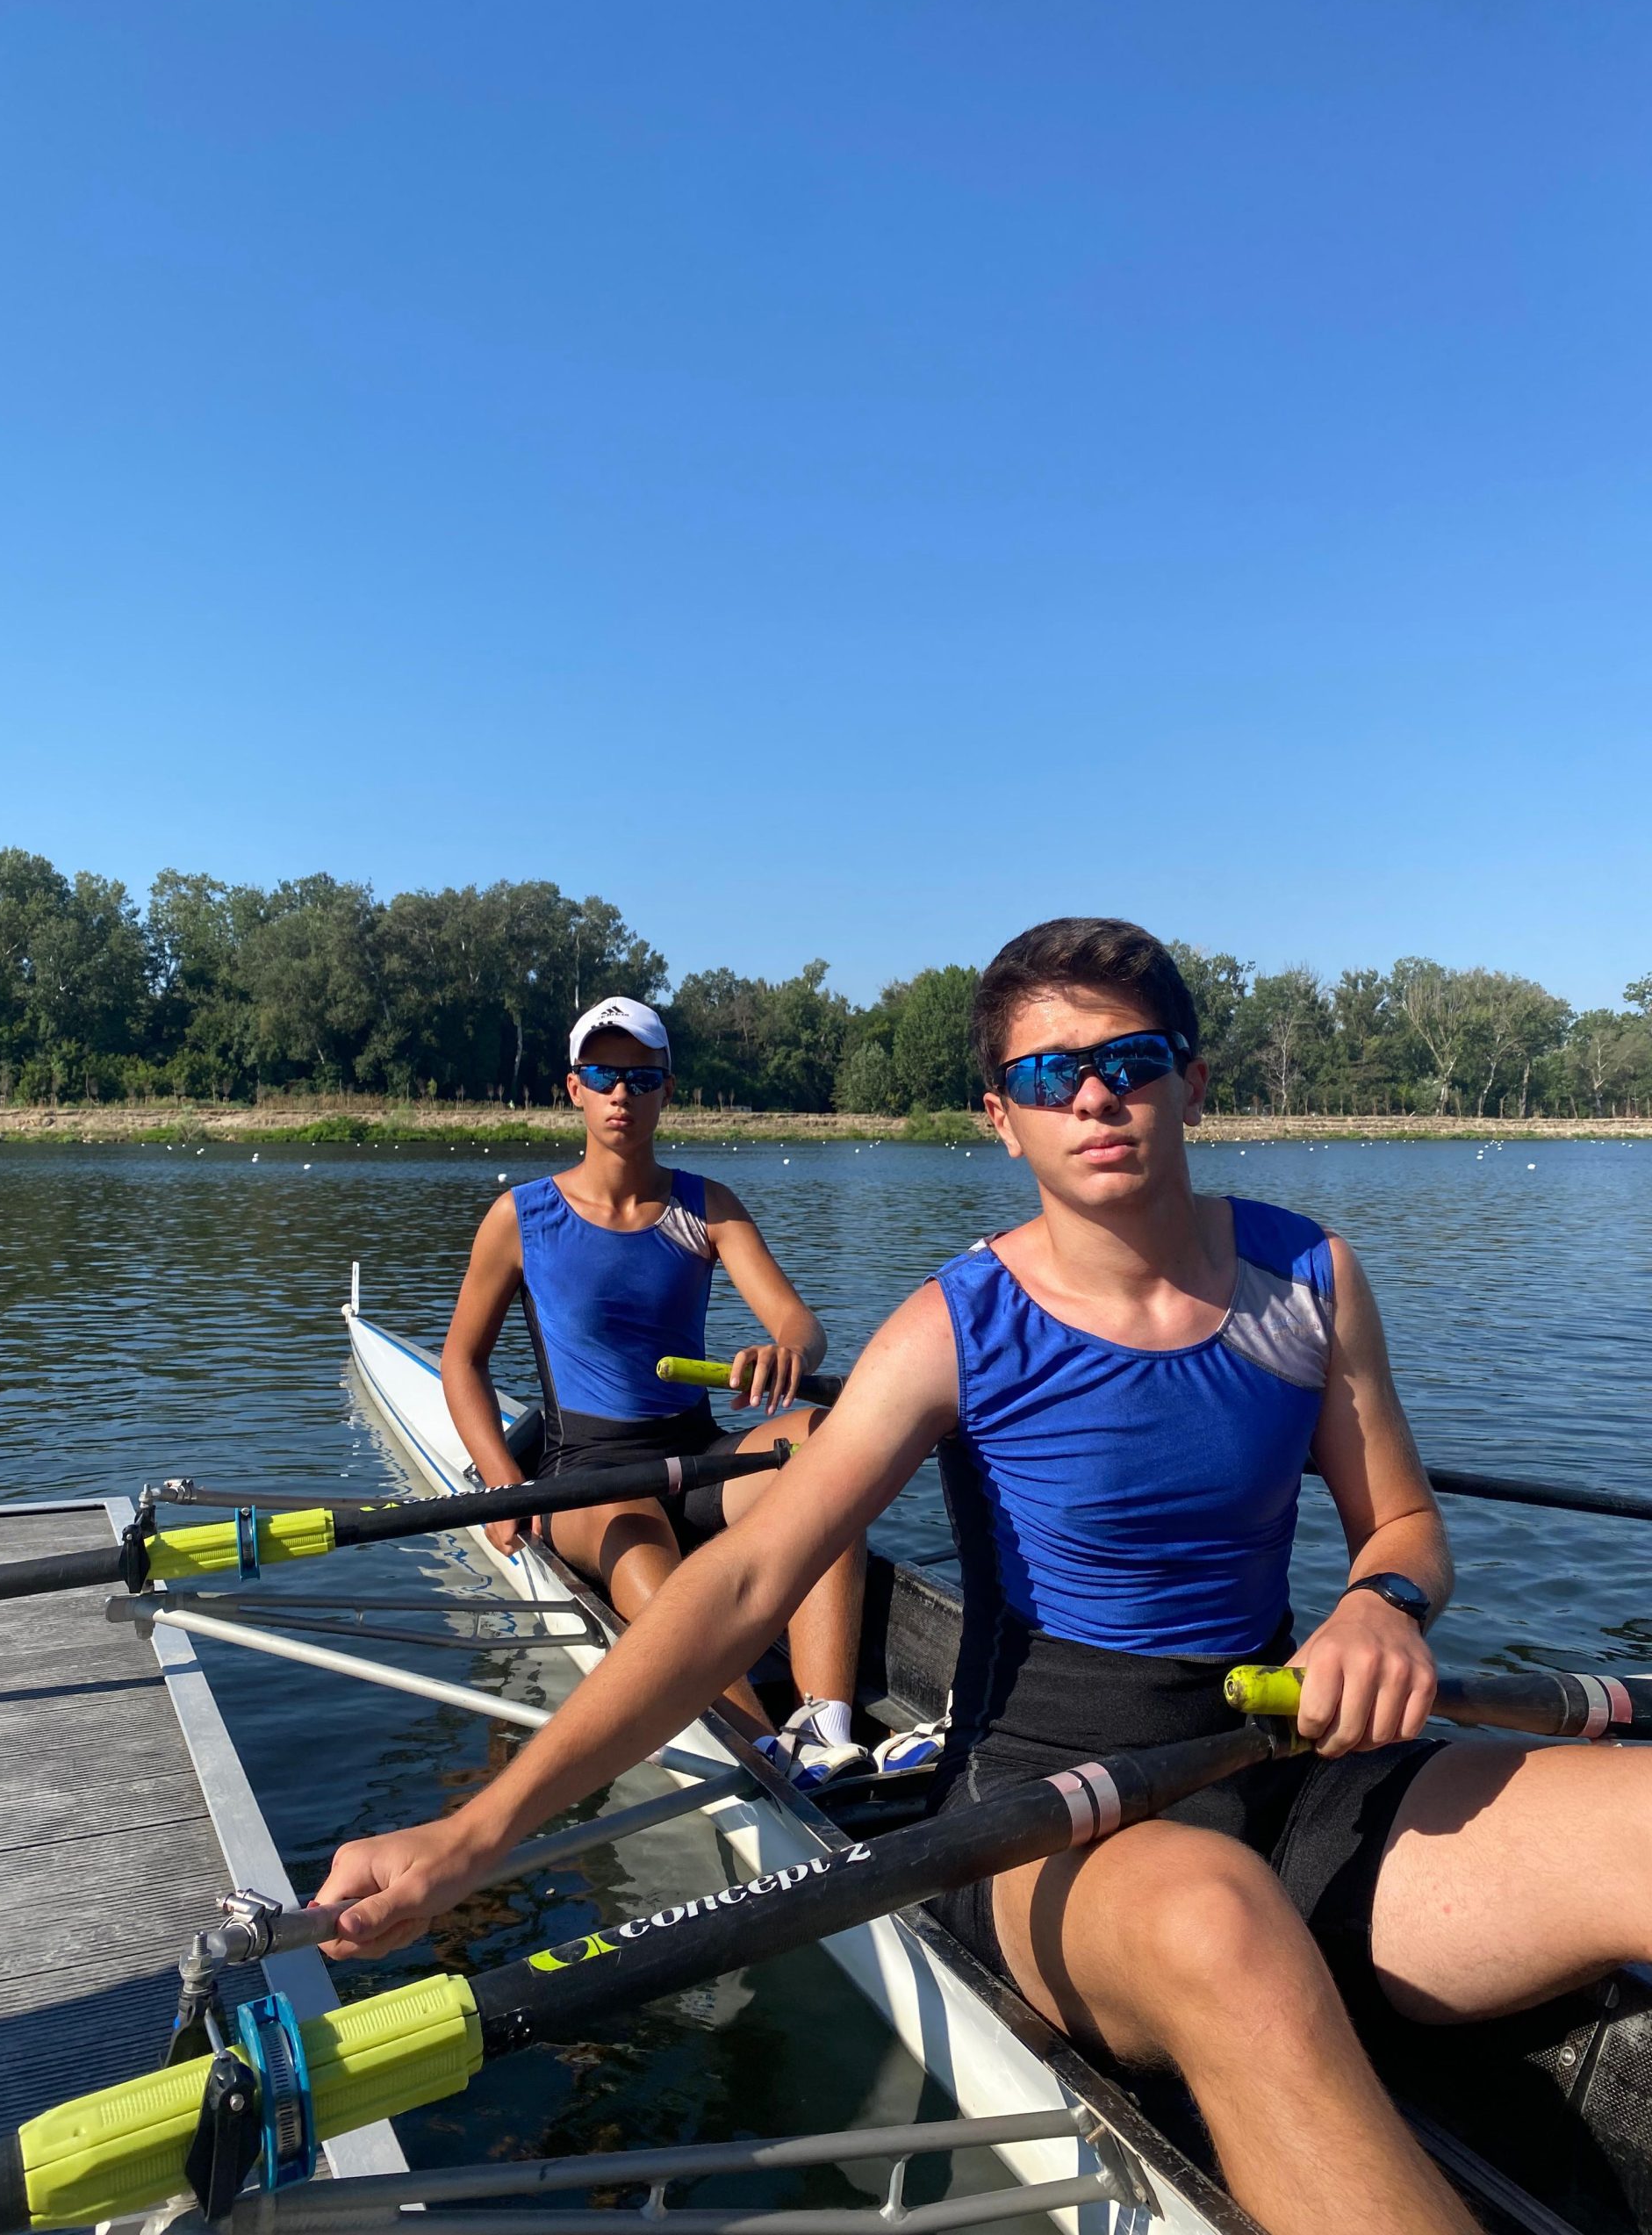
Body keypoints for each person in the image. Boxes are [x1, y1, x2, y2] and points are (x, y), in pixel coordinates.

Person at [319, 923, 1652, 2235]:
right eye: (1048, 1075)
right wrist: (479, 1830)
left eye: (1131, 1059)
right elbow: (743, 1587)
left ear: (1192, 1082)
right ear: (1002, 1122)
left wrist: (1381, 1603)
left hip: (1288, 1762)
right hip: (1043, 1820)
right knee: (1222, 1924)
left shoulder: (1311, 1278)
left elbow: (1404, 1524)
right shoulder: (955, 1326)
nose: (1094, 1095)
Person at [441, 992, 867, 1786]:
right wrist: (503, 1484)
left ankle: (824, 1727)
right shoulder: (521, 1216)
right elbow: (462, 1361)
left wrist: (786, 1352)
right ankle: (756, 1751)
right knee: (636, 1532)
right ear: (574, 1088)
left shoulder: (705, 1206)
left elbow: (799, 1324)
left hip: (696, 1454)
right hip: (586, 1473)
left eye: (641, 1079)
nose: (620, 1094)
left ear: (667, 1090)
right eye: (603, 1075)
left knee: (832, 1447)